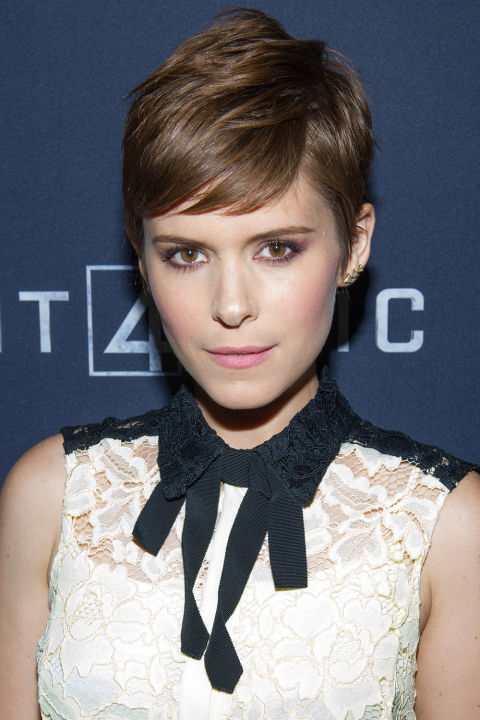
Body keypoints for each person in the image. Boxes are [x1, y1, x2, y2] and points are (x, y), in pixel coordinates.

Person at [0, 8, 479, 720]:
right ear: (142, 260)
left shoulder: (445, 525)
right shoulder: (54, 494)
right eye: (187, 254)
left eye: (277, 249)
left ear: (354, 245)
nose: (230, 305)